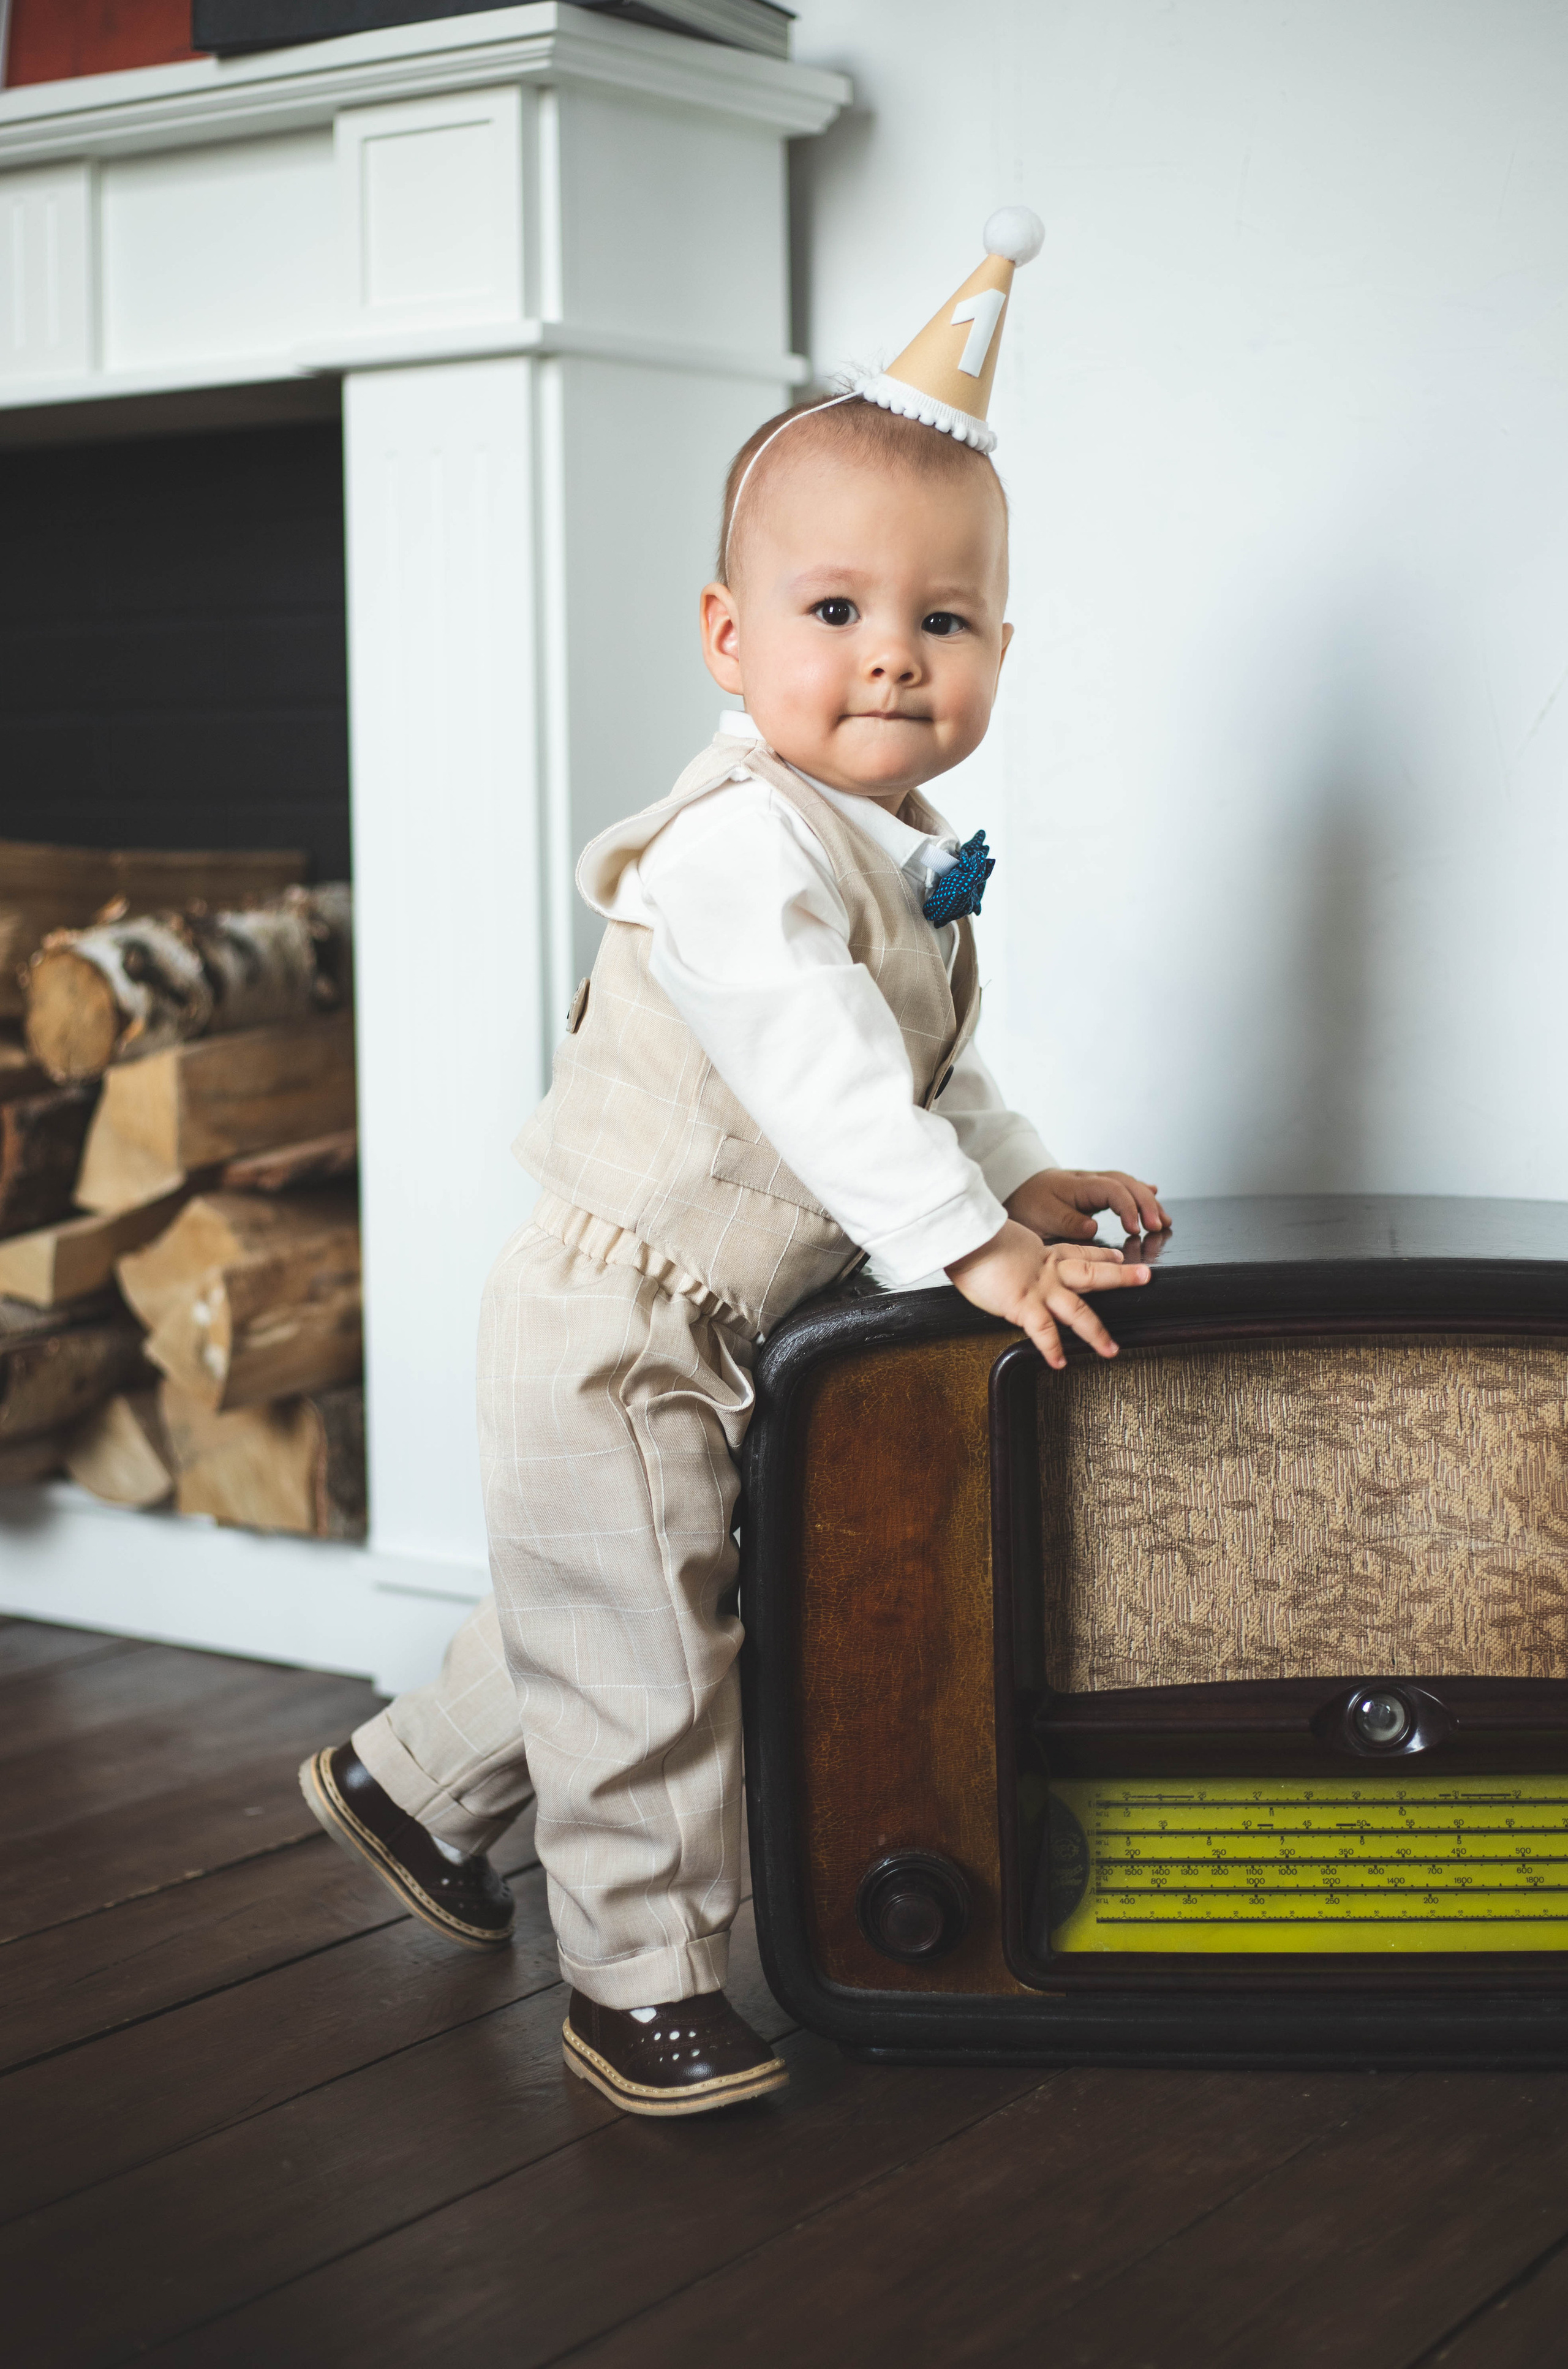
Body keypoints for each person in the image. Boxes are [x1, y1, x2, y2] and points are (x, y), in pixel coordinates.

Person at [301, 209, 1168, 2117]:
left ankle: (410, 1781)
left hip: (737, 1308)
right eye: (836, 612)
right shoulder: (731, 851)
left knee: (636, 1593)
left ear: (999, 650)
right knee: (644, 1662)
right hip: (623, 1310)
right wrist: (973, 1256)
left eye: (943, 622)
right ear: (728, 637)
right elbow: (815, 1070)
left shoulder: (894, 845)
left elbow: (926, 1071)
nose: (889, 659)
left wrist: (1016, 1179)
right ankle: (643, 1983)